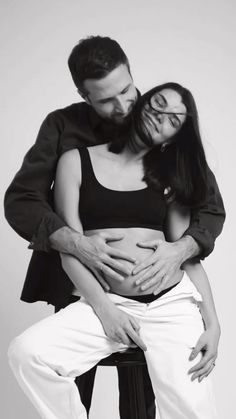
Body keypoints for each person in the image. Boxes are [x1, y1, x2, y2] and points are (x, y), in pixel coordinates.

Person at [4, 36, 225, 418]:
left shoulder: (169, 152)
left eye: (127, 90)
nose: (123, 106)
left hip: (166, 300)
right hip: (89, 293)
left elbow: (203, 218)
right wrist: (77, 245)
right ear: (84, 95)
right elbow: (23, 201)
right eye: (106, 99)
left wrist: (184, 258)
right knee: (33, 356)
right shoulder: (67, 137)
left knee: (181, 402)